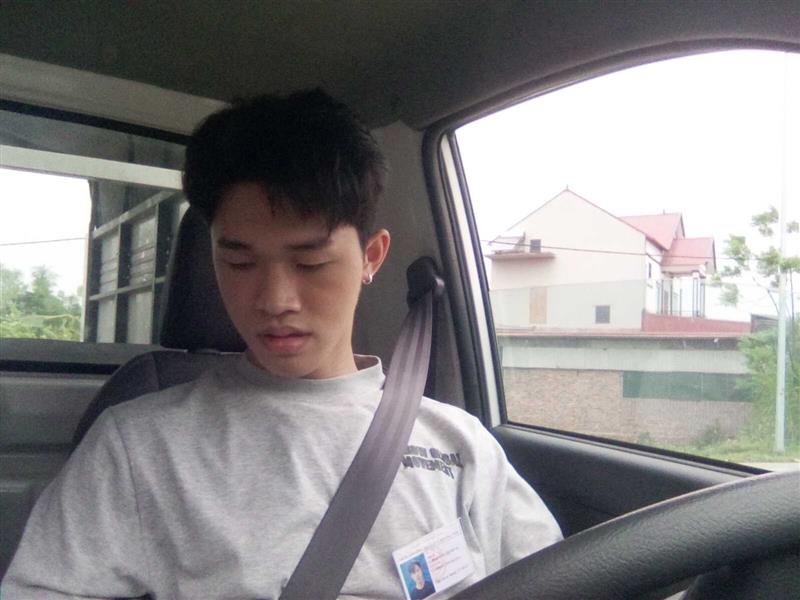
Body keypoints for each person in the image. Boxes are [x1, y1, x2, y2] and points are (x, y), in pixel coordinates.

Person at [2, 90, 562, 599]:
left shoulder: (460, 445)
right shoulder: (139, 445)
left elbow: (560, 581)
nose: (274, 300)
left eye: (310, 262)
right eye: (239, 262)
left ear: (371, 257)